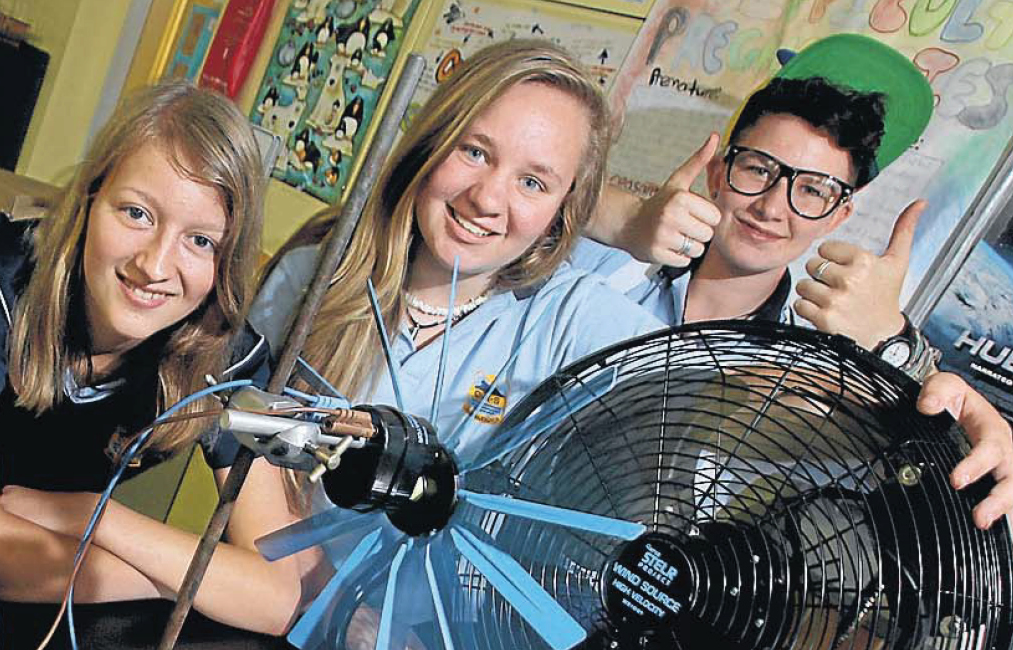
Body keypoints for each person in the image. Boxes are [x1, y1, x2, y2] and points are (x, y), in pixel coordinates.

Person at [0, 82, 315, 634]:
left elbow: (273, 596)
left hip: (43, 606)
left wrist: (93, 516)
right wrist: (179, 581)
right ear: (88, 199)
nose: (156, 265)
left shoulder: (227, 355)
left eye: (200, 242)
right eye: (136, 213)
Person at [580, 35, 1013, 527]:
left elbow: (924, 435)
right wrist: (624, 218)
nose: (771, 207)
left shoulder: (810, 370)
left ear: (837, 215)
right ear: (718, 174)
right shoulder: (603, 265)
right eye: (758, 169)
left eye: (812, 190)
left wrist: (895, 344)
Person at [252, 39, 661, 456]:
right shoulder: (312, 278)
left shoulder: (568, 318)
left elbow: (717, 391)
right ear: (433, 141)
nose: (486, 199)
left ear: (564, 207)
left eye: (532, 183)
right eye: (475, 152)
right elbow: (237, 449)